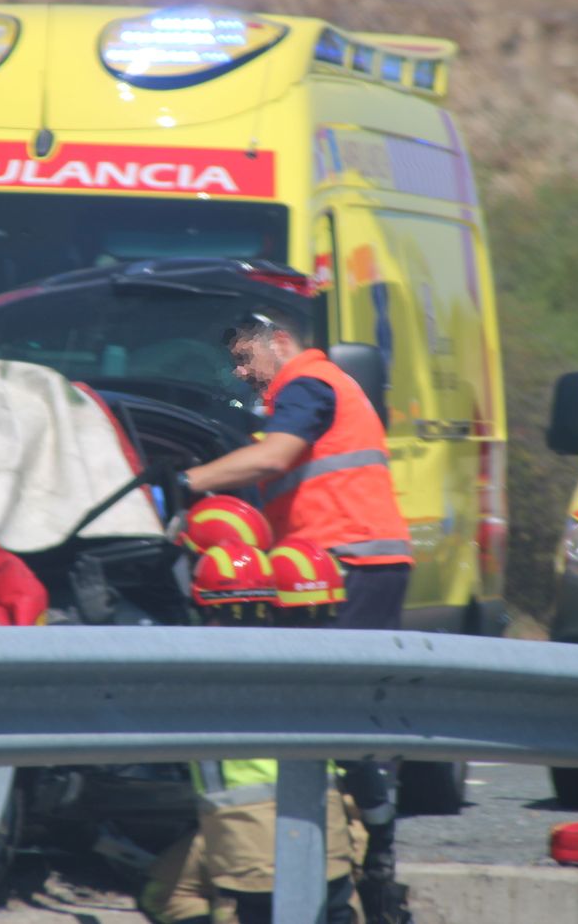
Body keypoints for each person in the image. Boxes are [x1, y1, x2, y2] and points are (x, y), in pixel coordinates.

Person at [180, 309, 413, 923]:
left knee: (342, 718)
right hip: (338, 563)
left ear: (279, 342)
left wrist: (183, 484)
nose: (241, 371)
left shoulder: (308, 384)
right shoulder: (305, 391)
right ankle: (363, 857)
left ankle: (372, 859)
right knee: (337, 716)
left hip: (351, 561)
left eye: (245, 356)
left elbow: (272, 458)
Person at [139, 542, 359, 924]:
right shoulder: (315, 666)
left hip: (243, 851)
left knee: (173, 894)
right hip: (328, 840)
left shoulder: (192, 671)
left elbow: (136, 719)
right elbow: (363, 767)